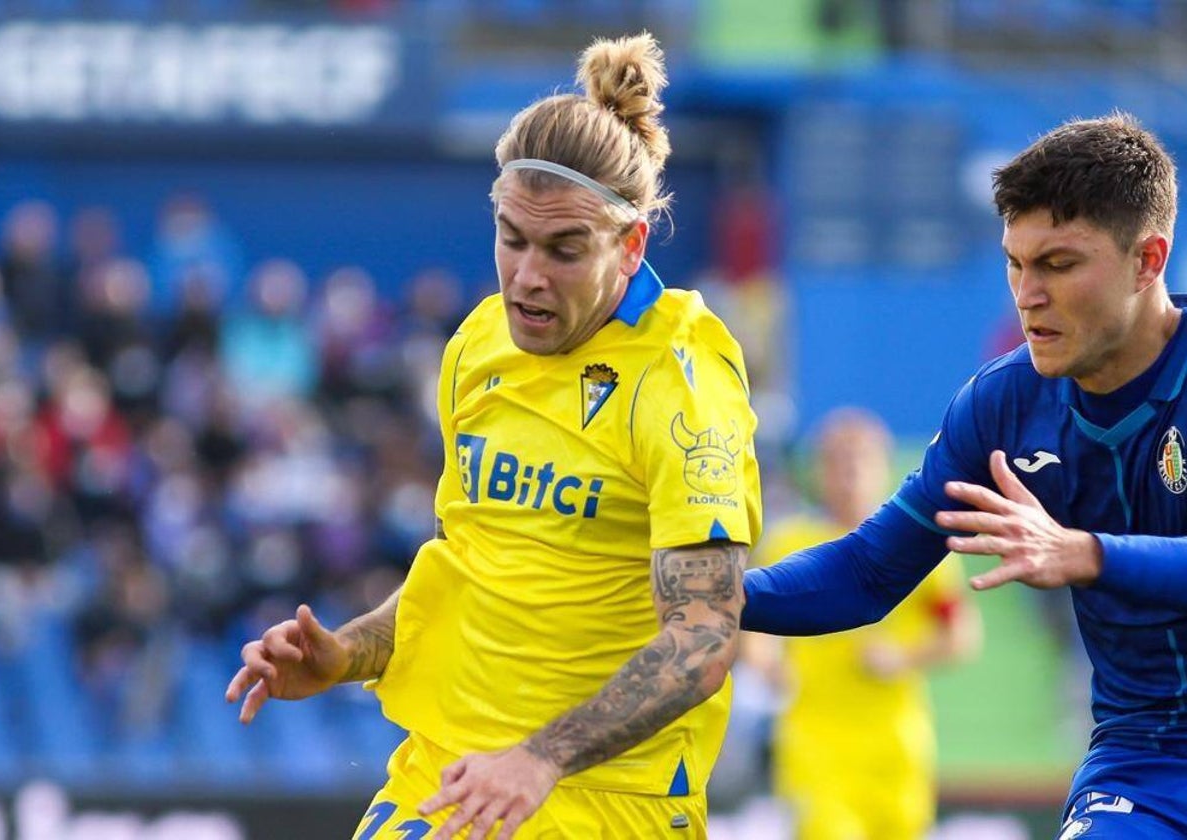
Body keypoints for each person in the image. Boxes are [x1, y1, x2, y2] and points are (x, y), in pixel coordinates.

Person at [226, 32, 762, 840]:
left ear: (631, 245)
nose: (528, 276)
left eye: (564, 249)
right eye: (512, 237)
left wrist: (541, 757)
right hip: (445, 773)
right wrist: (346, 653)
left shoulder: (681, 381)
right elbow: (475, 566)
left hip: (599, 799)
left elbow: (703, 637)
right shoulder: (478, 346)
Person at [743, 111, 1187, 838]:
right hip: (1143, 763)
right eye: (1015, 263)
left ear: (1148, 259)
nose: (1027, 293)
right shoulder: (1004, 404)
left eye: (1059, 264)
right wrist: (710, 597)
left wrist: (1086, 553)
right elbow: (867, 573)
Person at [744, 407, 981, 839]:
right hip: (816, 742)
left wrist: (901, 656)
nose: (849, 474)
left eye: (860, 461)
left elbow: (960, 636)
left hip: (894, 745)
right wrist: (769, 666)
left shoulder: (919, 549)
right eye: (837, 462)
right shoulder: (789, 543)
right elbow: (756, 630)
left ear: (882, 467)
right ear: (817, 471)